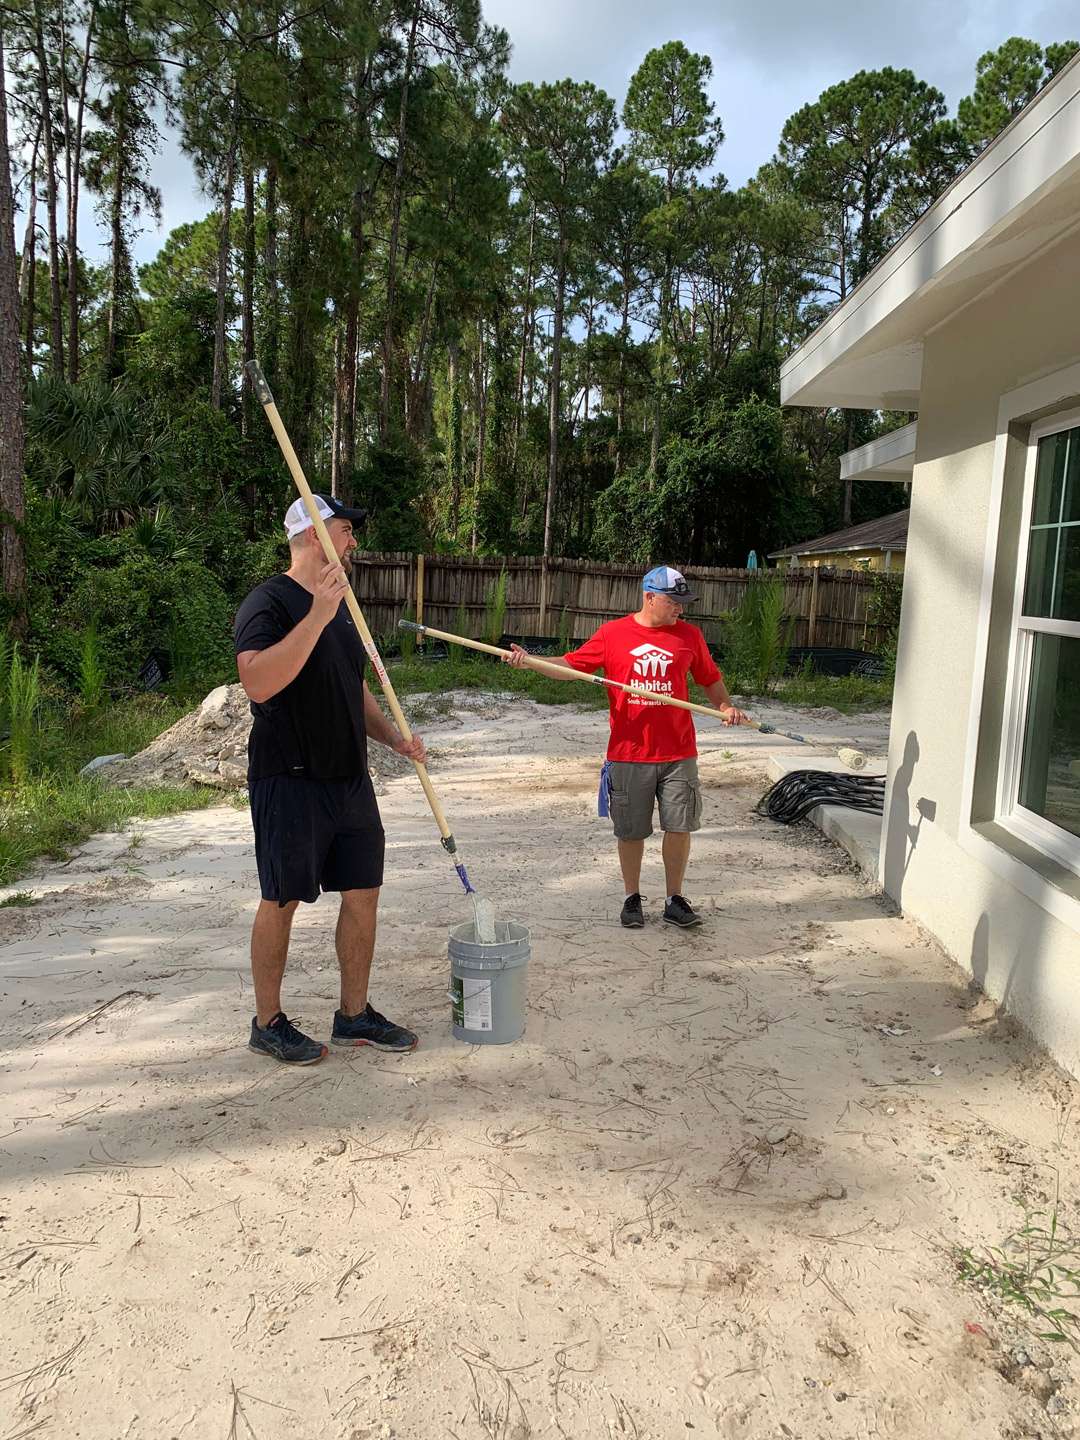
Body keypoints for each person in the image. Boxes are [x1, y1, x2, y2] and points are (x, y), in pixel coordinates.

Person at [233, 493, 427, 1065]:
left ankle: (353, 1014)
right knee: (283, 897)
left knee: (363, 891)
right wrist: (316, 615)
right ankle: (267, 1022)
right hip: (289, 776)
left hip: (349, 777)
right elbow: (258, 681)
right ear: (315, 535)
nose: (353, 542)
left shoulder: (342, 607)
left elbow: (351, 684)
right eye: (345, 530)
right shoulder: (268, 601)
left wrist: (390, 736)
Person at [506, 565, 746, 929]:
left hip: (679, 752)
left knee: (679, 826)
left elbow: (710, 680)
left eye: (683, 602)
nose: (680, 608)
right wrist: (531, 663)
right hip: (629, 752)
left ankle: (674, 898)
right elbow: (570, 666)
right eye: (673, 601)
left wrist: (725, 706)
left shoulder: (689, 636)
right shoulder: (614, 634)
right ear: (649, 597)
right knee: (631, 831)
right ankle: (631, 898)